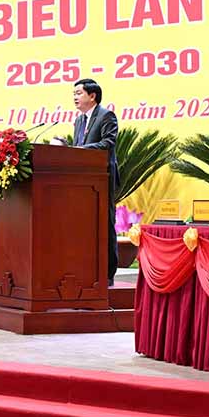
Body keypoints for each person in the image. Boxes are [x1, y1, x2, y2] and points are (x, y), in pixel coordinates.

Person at [72, 78, 120, 284]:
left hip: (102, 178)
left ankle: (108, 273)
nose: (75, 97)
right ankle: (87, 268)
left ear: (92, 96)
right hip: (82, 181)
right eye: (73, 94)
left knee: (104, 224)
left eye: (79, 93)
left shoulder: (106, 115)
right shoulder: (79, 120)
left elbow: (108, 142)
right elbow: (76, 146)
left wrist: (82, 150)